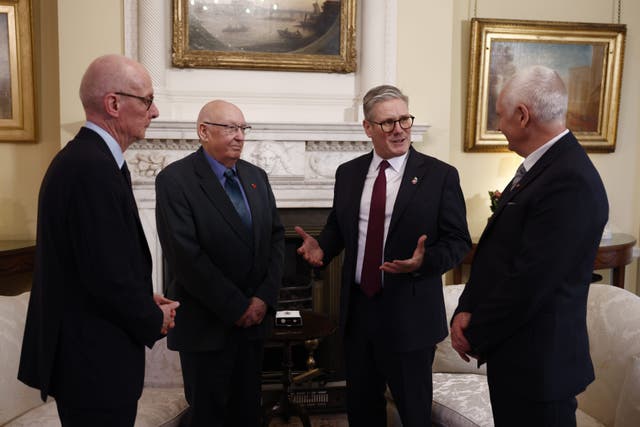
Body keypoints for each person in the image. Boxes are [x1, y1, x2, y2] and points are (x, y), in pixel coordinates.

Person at [18, 54, 179, 427]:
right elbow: (104, 275)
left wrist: (142, 296)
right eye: (146, 100)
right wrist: (151, 316)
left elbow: (96, 260)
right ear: (113, 104)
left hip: (92, 358)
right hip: (92, 363)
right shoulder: (90, 167)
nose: (154, 111)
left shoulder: (91, 160)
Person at [296, 85, 471, 426]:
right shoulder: (348, 174)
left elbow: (458, 241)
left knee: (413, 413)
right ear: (368, 128)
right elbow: (339, 227)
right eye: (388, 122)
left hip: (411, 313)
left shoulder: (440, 176)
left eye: (404, 119)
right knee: (362, 410)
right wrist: (322, 247)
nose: (399, 129)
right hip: (360, 311)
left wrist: (425, 262)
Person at [451, 65, 609, 427]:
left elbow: (530, 280)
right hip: (518, 359)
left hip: (540, 368)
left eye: (501, 115)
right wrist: (465, 308)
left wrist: (474, 332)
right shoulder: (543, 168)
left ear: (523, 116)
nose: (499, 124)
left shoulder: (570, 180)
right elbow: (499, 253)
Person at [155, 100, 285, 426]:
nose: (240, 136)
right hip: (207, 327)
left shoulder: (257, 177)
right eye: (230, 128)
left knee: (247, 415)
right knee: (209, 418)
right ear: (203, 131)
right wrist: (237, 306)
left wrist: (262, 299)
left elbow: (276, 239)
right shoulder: (175, 180)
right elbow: (185, 256)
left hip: (253, 327)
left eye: (243, 128)